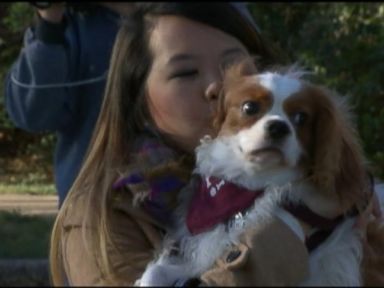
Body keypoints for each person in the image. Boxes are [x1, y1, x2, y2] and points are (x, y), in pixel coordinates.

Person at [49, 3, 381, 286]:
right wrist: (297, 225)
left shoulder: (341, 185)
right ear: (139, 102)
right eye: (185, 72)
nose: (216, 86)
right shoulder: (104, 216)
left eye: (231, 67)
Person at [4, 2, 135, 206]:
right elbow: (32, 115)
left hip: (181, 200)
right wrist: (49, 23)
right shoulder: (70, 28)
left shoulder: (182, 16)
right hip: (93, 209)